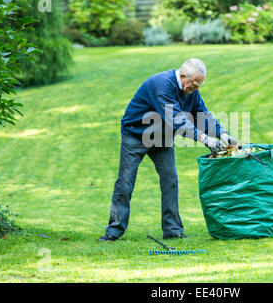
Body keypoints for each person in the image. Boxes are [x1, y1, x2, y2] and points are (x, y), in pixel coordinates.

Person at [98, 58, 239, 241]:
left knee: (170, 180)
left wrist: (223, 135)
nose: (195, 89)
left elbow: (202, 115)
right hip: (136, 135)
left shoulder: (191, 91)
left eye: (198, 86)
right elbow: (177, 119)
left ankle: (173, 231)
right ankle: (113, 231)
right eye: (194, 85)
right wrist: (204, 139)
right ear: (182, 76)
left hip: (161, 137)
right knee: (125, 183)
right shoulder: (161, 85)